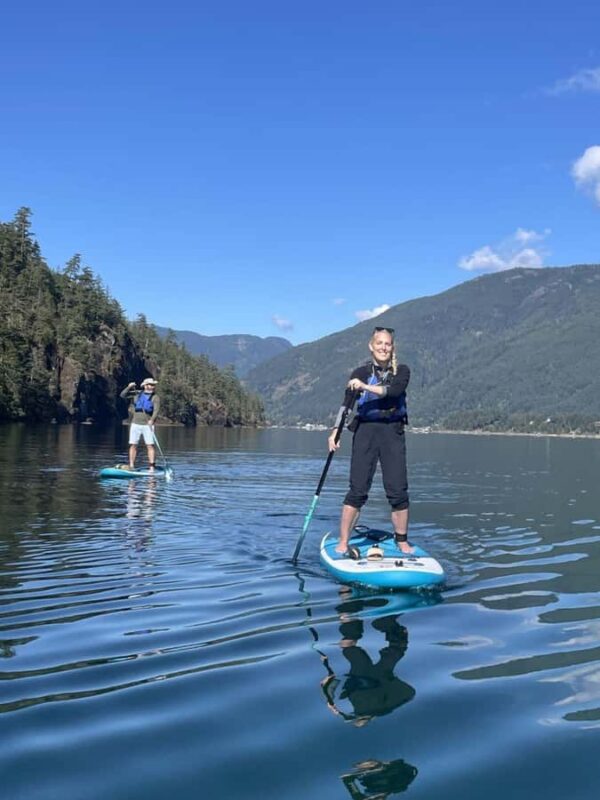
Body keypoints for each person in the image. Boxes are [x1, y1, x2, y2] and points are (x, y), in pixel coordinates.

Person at [328, 326, 411, 554]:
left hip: (392, 433)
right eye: (379, 343)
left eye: (388, 344)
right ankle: (343, 542)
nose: (384, 347)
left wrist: (364, 387)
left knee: (398, 490)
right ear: (371, 346)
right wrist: (335, 430)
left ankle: (402, 541)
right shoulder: (360, 372)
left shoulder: (401, 371)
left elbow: (393, 392)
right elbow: (347, 405)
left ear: (392, 347)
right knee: (357, 489)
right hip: (366, 432)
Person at [120, 378, 160, 470]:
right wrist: (129, 387)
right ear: (145, 386)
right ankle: (131, 465)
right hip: (135, 423)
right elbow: (122, 395)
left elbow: (156, 410)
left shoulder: (155, 397)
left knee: (150, 445)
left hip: (148, 424)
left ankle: (152, 466)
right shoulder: (137, 394)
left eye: (153, 385)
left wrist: (152, 420)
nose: (152, 386)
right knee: (133, 444)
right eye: (150, 384)